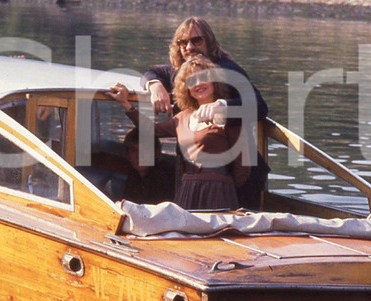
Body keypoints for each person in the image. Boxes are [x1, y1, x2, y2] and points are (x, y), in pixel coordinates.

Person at [141, 17, 268, 208]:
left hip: (240, 171)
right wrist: (155, 85)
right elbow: (152, 72)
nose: (189, 47)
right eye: (183, 42)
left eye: (196, 40)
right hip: (195, 171)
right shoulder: (181, 71)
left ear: (209, 42)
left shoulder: (228, 70)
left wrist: (222, 106)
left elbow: (259, 106)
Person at [108, 55, 251, 211]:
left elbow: (242, 163)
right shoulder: (182, 117)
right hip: (187, 190)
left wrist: (224, 186)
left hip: (218, 191)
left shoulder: (229, 115)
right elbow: (151, 129)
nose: (198, 84)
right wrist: (126, 104)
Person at [121, 128, 176, 204]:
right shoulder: (134, 176)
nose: (139, 155)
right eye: (134, 150)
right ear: (128, 155)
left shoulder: (165, 176)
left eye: (144, 149)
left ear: (156, 152)